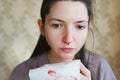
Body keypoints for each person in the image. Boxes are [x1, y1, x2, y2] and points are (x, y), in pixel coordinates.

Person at [10, 0, 116, 80]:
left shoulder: (99, 68)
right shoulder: (23, 73)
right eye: (57, 25)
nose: (68, 39)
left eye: (79, 26)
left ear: (88, 28)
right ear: (42, 28)